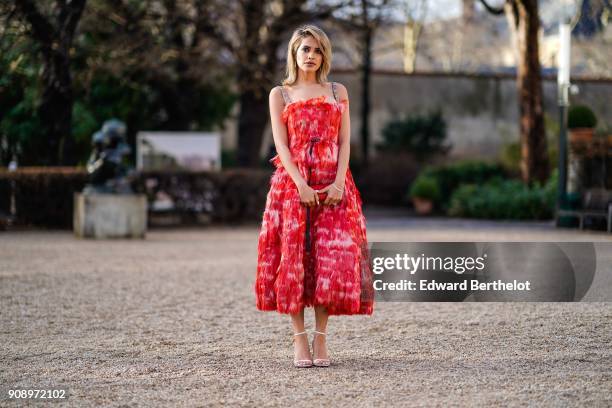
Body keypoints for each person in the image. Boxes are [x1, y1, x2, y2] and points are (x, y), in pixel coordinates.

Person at [254, 24, 374, 368]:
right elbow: (281, 144)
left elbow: (343, 142)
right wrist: (300, 185)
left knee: (330, 262)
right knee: (293, 262)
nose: (311, 56)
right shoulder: (281, 93)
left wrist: (338, 183)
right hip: (293, 186)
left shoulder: (338, 91)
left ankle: (321, 338)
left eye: (317, 50)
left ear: (325, 55)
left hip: (334, 185)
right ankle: (299, 340)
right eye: (305, 49)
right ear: (294, 53)